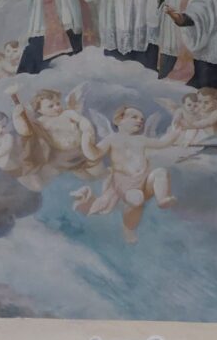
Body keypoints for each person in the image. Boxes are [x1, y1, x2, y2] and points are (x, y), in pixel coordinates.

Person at [71, 104, 177, 243]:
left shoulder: (141, 139)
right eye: (134, 117)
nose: (140, 121)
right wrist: (85, 141)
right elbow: (94, 154)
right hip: (125, 184)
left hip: (144, 180)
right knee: (137, 199)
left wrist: (176, 132)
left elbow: (163, 143)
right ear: (119, 120)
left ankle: (162, 199)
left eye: (142, 119)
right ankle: (128, 228)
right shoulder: (112, 139)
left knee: (161, 172)